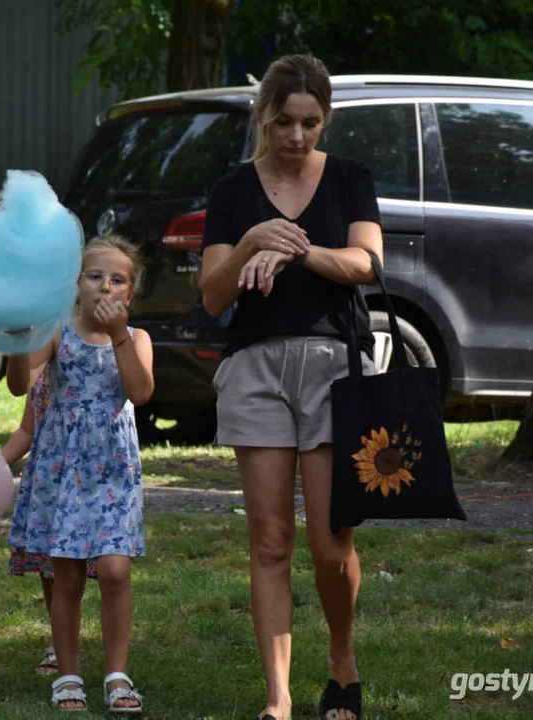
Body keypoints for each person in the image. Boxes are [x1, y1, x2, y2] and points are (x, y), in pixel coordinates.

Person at [197, 54, 382, 720]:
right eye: (283, 122)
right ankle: (276, 700)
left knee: (331, 545)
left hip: (334, 367)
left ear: (323, 118)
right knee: (270, 540)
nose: (297, 137)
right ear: (262, 117)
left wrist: (299, 249)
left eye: (309, 123)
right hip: (255, 369)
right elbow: (214, 294)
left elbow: (365, 263)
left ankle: (340, 662)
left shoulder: (349, 178)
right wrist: (250, 242)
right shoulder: (232, 190)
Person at [6, 235, 153, 713]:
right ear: (75, 284)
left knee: (114, 570)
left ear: (129, 295)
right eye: (95, 276)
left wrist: (121, 336)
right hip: (63, 468)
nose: (104, 287)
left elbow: (140, 391)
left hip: (113, 469)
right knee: (66, 576)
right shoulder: (57, 331)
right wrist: (17, 341)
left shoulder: (137, 339)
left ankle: (116, 673)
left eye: (117, 280)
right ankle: (68, 674)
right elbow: (18, 385)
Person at [1, 367, 97, 677]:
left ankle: (74, 644)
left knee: (78, 566)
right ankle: (60, 642)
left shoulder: (96, 354)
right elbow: (26, 430)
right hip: (48, 480)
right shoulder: (38, 366)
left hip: (86, 474)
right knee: (50, 567)